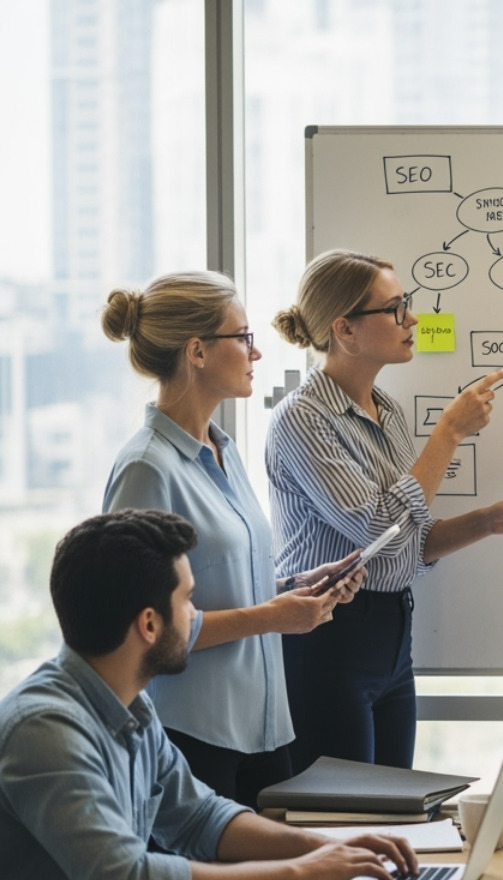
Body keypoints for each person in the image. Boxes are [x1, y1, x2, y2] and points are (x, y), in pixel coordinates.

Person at [0, 510, 418, 880]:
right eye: (188, 601)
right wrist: (298, 874)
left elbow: (199, 818)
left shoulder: (127, 702)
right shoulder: (44, 731)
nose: (195, 615)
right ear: (149, 624)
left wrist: (326, 848)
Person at [269, 249, 503, 772]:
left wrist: (488, 521)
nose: (412, 319)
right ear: (345, 330)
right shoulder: (301, 419)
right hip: (330, 636)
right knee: (344, 825)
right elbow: (376, 527)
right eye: (395, 309)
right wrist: (449, 433)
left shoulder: (387, 409)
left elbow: (408, 543)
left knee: (395, 812)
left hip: (392, 634)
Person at [100, 271, 364, 807]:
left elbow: (231, 579)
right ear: (196, 351)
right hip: (191, 740)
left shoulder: (225, 450)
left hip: (264, 732)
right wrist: (273, 617)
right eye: (242, 337)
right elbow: (145, 627)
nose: (256, 352)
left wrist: (298, 585)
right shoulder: (147, 468)